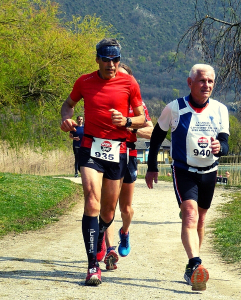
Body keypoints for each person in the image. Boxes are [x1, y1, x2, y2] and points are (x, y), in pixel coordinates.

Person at [60, 38, 145, 286]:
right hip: (91, 148)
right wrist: (66, 119)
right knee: (91, 201)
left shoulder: (129, 82)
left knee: (108, 212)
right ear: (97, 59)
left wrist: (127, 122)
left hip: (117, 152)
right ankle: (92, 266)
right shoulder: (84, 82)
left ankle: (100, 240)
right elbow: (68, 105)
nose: (111, 64)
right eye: (106, 59)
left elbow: (142, 118)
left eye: (116, 59)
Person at [145, 64, 230, 291]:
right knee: (190, 214)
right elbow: (156, 137)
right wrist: (152, 167)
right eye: (202, 81)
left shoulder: (220, 109)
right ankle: (196, 264)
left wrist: (219, 146)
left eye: (211, 81)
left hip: (209, 171)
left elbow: (225, 144)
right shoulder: (174, 108)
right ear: (190, 82)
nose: (207, 85)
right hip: (183, 170)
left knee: (201, 219)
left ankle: (191, 268)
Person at [103, 63, 153, 271]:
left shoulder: (137, 106)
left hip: (130, 155)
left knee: (126, 208)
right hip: (107, 155)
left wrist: (128, 124)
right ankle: (109, 249)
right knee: (108, 206)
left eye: (123, 78)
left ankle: (124, 232)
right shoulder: (105, 100)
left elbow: (152, 132)